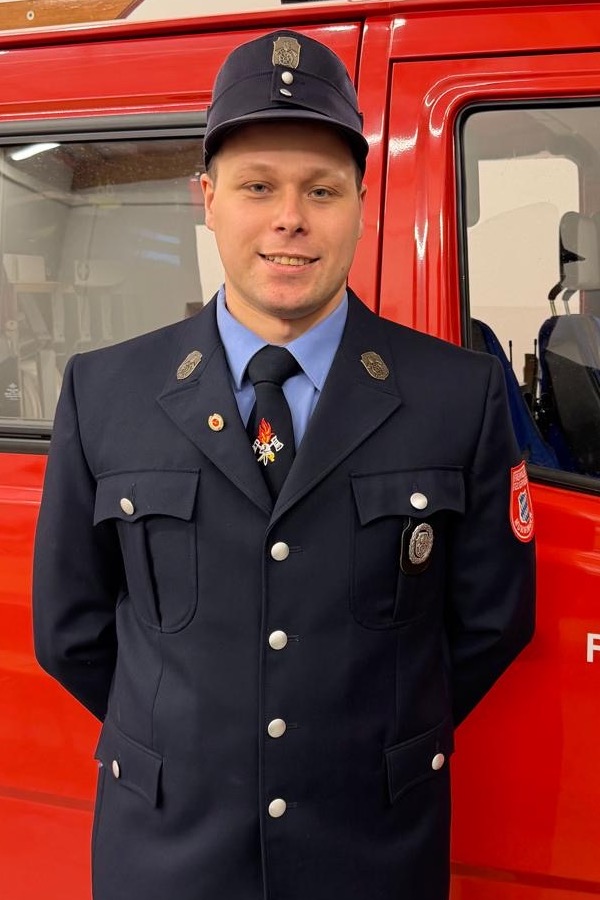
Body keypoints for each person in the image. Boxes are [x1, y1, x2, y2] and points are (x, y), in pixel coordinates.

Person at [33, 29, 535, 900]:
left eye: (322, 190)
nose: (289, 218)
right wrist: (183, 735)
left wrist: (365, 738)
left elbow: (492, 621)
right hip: (169, 850)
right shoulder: (105, 391)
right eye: (257, 186)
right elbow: (70, 630)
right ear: (208, 199)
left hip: (371, 847)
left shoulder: (458, 395)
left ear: (362, 203)